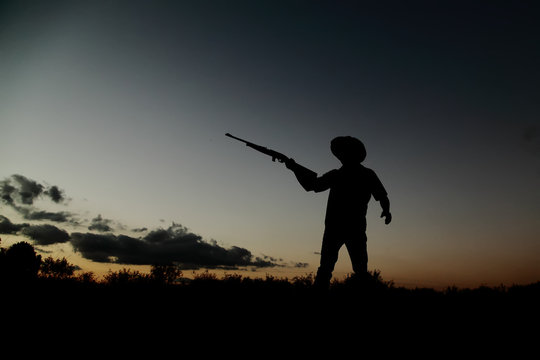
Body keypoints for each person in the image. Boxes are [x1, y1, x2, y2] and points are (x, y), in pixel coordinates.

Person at [285, 136, 391, 290]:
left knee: (340, 270)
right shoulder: (356, 174)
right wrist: (295, 168)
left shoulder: (350, 174)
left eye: (345, 152)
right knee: (338, 270)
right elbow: (313, 185)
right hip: (347, 228)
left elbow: (382, 197)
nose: (342, 155)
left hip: (346, 229)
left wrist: (386, 210)